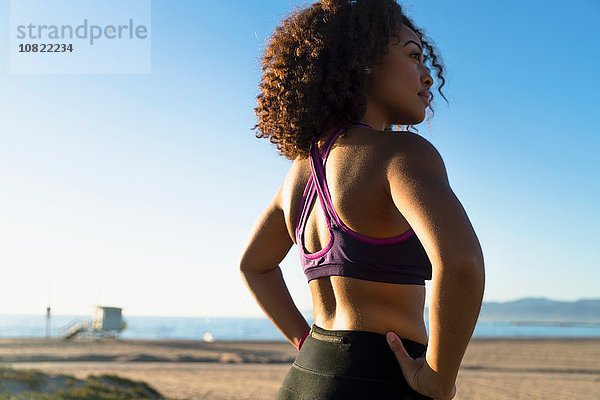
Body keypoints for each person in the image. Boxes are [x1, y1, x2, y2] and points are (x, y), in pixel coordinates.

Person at [239, 1, 485, 399]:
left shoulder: (300, 172)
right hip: (380, 379)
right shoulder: (401, 155)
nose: (427, 76)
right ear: (364, 60)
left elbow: (254, 265)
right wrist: (438, 378)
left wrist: (304, 341)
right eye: (413, 55)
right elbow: (462, 264)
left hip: (307, 375)